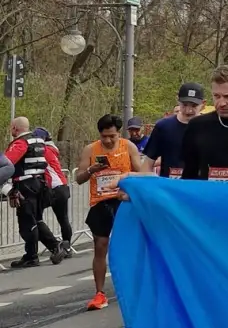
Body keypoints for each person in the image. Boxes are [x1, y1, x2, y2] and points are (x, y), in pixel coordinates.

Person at [75, 114, 148, 311]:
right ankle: (99, 293)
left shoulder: (128, 147)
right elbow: (78, 178)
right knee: (100, 245)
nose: (108, 140)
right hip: (101, 203)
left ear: (119, 134)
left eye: (112, 136)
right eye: (104, 136)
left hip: (123, 202)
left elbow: (141, 173)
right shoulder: (90, 149)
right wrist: (91, 169)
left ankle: (135, 287)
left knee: (129, 244)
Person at [4, 117, 66, 268]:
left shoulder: (20, 143)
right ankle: (55, 246)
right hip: (40, 184)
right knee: (36, 219)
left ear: (15, 128)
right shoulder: (38, 141)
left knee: (27, 220)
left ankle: (31, 256)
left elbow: (6, 163)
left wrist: (7, 187)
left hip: (25, 186)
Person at [144, 83, 206, 179]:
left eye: (194, 106)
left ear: (203, 104)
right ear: (178, 101)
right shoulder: (163, 127)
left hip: (198, 189)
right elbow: (147, 165)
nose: (188, 111)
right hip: (169, 190)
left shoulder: (209, 127)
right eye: (184, 105)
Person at [33, 127, 74, 256]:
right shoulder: (52, 149)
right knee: (63, 219)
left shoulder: (42, 150)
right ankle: (66, 247)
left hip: (52, 188)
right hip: (62, 185)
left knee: (34, 217)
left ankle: (55, 246)